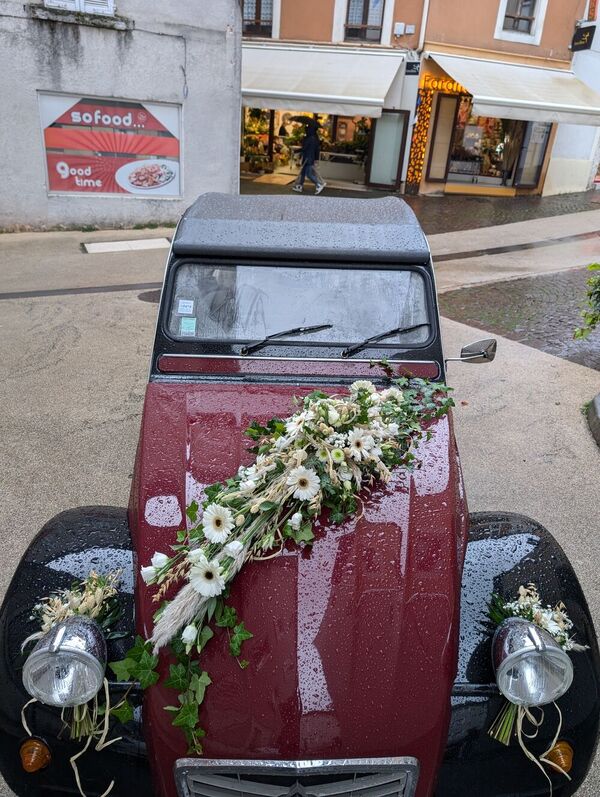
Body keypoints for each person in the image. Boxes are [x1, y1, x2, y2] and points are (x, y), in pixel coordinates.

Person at [292, 119, 327, 195]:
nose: (306, 129)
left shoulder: (310, 138)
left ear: (311, 129)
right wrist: (316, 159)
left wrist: (296, 151)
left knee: (308, 174)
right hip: (309, 157)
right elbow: (316, 149)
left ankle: (318, 184)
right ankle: (299, 186)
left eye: (308, 128)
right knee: (303, 172)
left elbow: (304, 148)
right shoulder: (314, 138)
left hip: (308, 158)